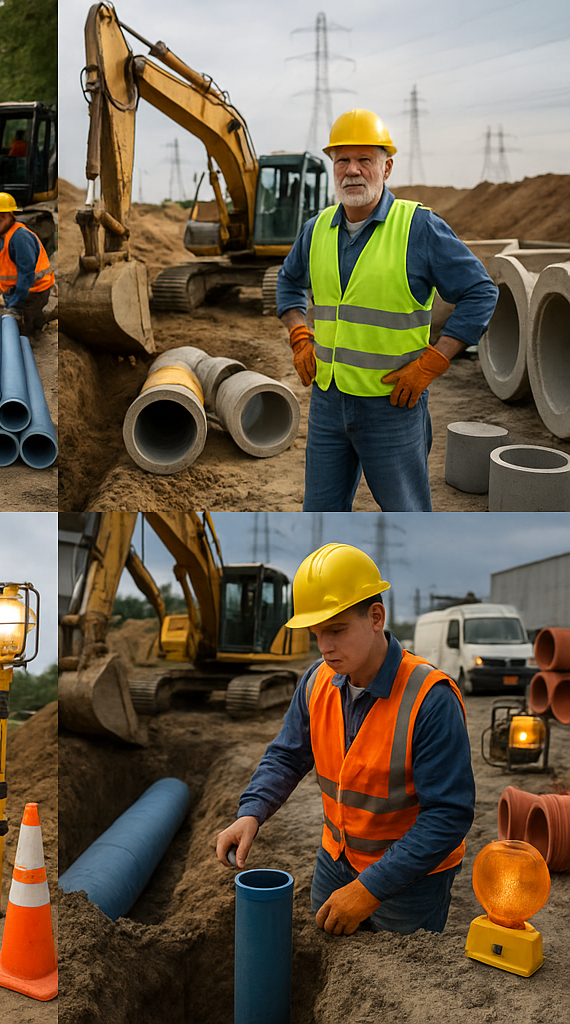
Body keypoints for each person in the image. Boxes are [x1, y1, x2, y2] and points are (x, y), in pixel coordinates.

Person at [215, 543, 475, 936]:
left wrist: (370, 889)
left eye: (336, 630)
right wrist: (251, 812)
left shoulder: (430, 698)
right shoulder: (316, 680)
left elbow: (447, 816)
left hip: (412, 878)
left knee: (394, 980)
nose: (324, 648)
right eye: (316, 633)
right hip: (337, 858)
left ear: (375, 616)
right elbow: (286, 757)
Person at [276, 108, 499, 512]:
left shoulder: (418, 228)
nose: (353, 170)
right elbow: (288, 281)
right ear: (333, 167)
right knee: (320, 515)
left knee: (406, 515)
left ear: (387, 166)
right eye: (342, 160)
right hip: (327, 401)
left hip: (393, 403)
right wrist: (298, 333)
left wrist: (434, 361)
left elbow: (481, 291)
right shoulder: (316, 229)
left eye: (365, 160)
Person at [0, 191, 56, 335]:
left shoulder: (20, 238)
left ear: (11, 217)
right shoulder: (2, 235)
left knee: (24, 332)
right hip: (16, 291)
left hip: (33, 293)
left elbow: (26, 276)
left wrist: (14, 307)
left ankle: (40, 320)